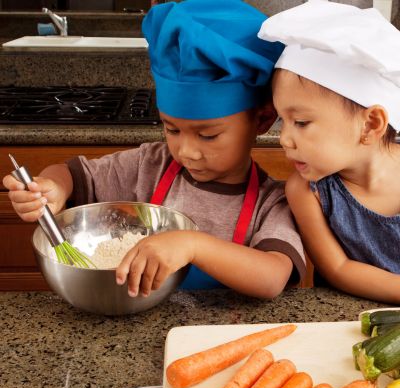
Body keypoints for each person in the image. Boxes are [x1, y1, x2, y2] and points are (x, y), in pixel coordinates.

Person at [3, 0, 305, 298]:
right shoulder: (148, 166)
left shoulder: (272, 201)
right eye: (172, 129)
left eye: (208, 135)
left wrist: (192, 246)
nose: (186, 151)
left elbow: (272, 278)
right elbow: (72, 173)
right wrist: (51, 188)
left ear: (262, 119)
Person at [258, 0, 400, 303]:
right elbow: (338, 268)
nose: (284, 139)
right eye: (283, 122)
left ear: (371, 124)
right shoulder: (307, 191)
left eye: (301, 122)